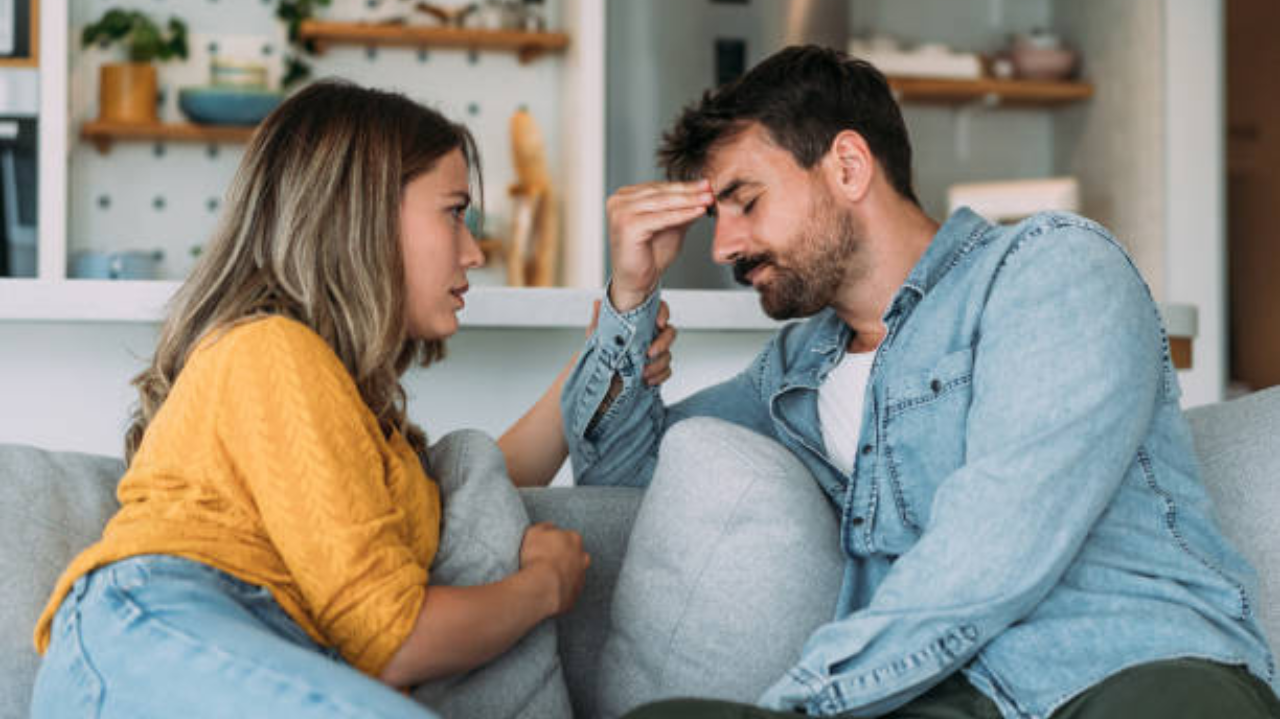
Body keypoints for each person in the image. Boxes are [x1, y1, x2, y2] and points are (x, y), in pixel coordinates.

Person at [560, 46, 1280, 718]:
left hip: (1130, 667)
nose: (724, 248)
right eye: (715, 218)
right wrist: (630, 296)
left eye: (745, 201)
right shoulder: (795, 373)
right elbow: (624, 477)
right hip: (947, 692)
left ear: (847, 166)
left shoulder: (1050, 268)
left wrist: (804, 702)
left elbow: (995, 543)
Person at [29, 80, 676, 719]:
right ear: (361, 214)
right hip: (160, 627)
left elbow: (480, 481)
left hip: (232, 641)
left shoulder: (357, 420)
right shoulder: (269, 348)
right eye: (455, 211)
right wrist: (543, 587)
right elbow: (391, 639)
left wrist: (614, 341)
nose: (474, 252)